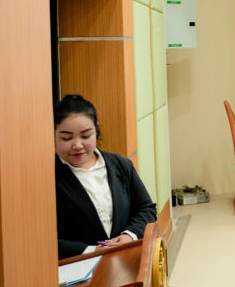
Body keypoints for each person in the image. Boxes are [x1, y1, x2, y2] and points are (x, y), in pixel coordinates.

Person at [54, 94, 157, 259]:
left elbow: (146, 209)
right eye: (66, 138)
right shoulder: (49, 178)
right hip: (78, 266)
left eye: (86, 136)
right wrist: (91, 250)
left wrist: (128, 235)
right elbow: (43, 238)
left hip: (127, 258)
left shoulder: (121, 164)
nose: (77, 145)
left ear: (96, 130)